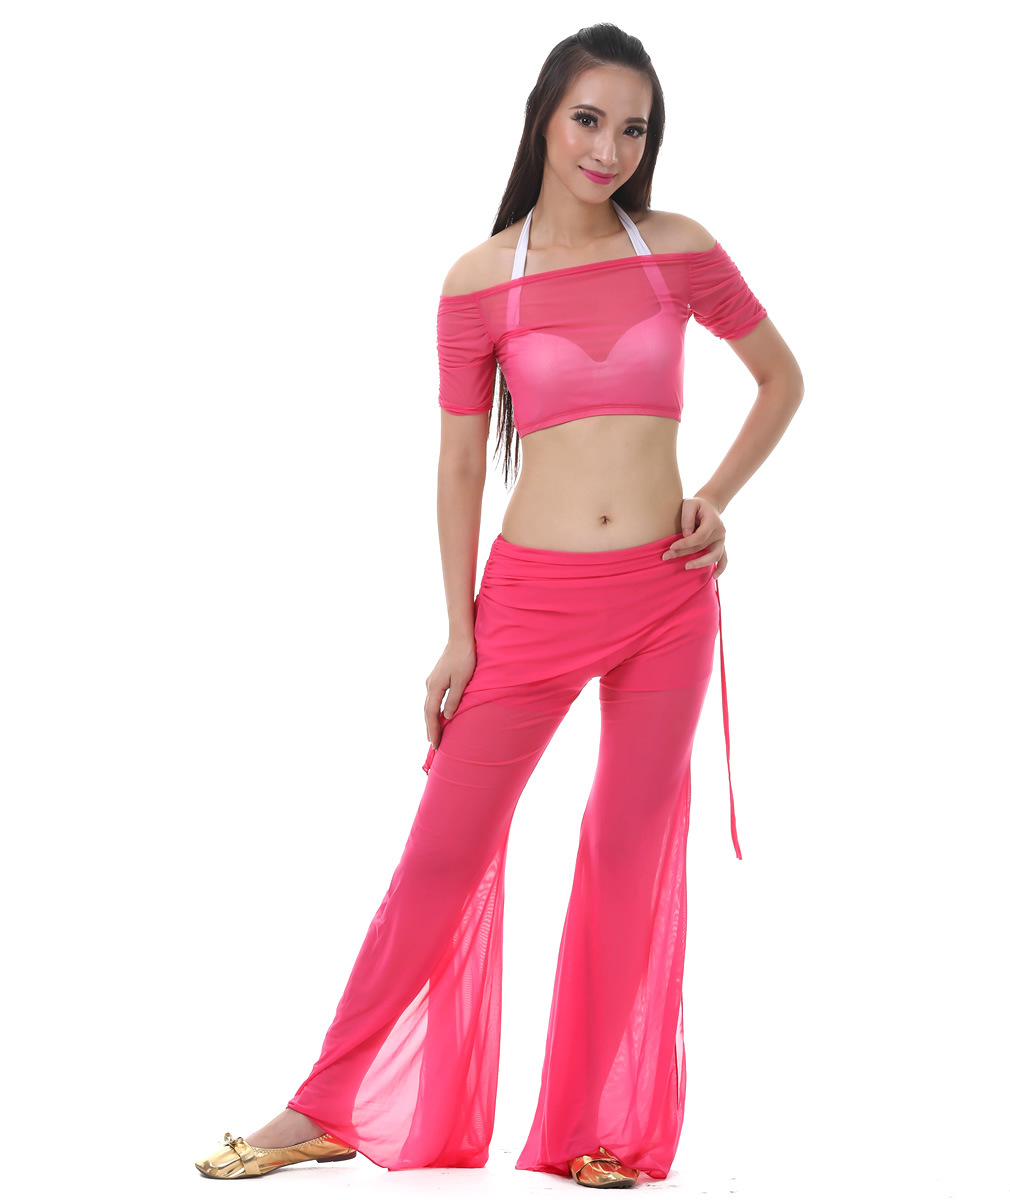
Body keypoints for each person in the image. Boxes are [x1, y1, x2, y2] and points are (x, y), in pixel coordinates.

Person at [194, 20, 804, 1189]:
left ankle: (589, 1131)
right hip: (531, 601)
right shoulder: (479, 280)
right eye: (589, 119)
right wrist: (459, 631)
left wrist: (717, 498)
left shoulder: (679, 250)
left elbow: (784, 379)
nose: (609, 148)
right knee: (442, 856)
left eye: (633, 128)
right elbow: (460, 463)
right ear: (544, 119)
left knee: (628, 856)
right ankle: (322, 1106)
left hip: (667, 597)